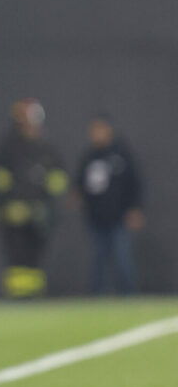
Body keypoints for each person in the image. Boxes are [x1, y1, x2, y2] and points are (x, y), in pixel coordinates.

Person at [0, 98, 68, 298]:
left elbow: (59, 178)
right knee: (16, 257)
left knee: (37, 257)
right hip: (14, 216)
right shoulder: (7, 147)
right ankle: (16, 296)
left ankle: (35, 295)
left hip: (39, 214)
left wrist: (44, 201)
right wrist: (10, 205)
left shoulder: (47, 148)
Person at [73, 115, 143, 295]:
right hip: (96, 218)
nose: (97, 134)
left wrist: (135, 209)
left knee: (122, 259)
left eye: (100, 129)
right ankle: (97, 297)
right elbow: (80, 183)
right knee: (98, 260)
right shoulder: (89, 157)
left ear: (108, 130)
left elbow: (134, 183)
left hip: (118, 217)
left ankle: (128, 295)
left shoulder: (121, 154)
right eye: (94, 130)